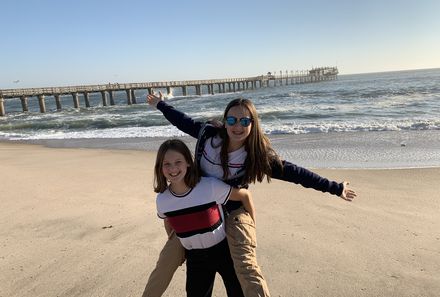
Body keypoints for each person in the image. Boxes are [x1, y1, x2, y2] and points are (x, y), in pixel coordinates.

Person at [143, 94, 357, 297]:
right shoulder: (208, 136)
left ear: (253, 124)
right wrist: (161, 105)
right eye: (232, 119)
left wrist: (335, 187)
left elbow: (295, 173)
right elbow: (183, 121)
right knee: (164, 265)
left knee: (246, 269)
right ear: (224, 121)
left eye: (244, 121)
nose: (237, 126)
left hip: (233, 210)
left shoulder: (256, 155)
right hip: (197, 208)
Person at [153, 138, 256, 297]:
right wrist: (180, 246)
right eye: (166, 164)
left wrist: (251, 226)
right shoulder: (163, 200)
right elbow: (168, 222)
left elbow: (244, 196)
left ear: (188, 162)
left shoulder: (209, 186)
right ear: (160, 168)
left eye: (178, 161)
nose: (173, 168)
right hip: (195, 258)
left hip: (225, 251)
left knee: (238, 293)